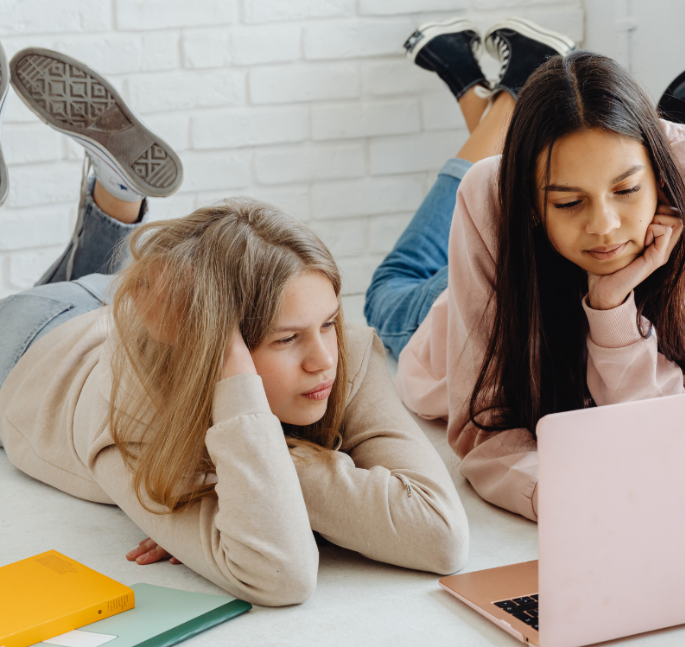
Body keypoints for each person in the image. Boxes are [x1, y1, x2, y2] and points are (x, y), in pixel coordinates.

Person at [0, 44, 469, 605]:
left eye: (327, 322)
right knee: (52, 291)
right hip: (29, 347)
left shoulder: (339, 352)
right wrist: (251, 481)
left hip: (120, 302)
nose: (323, 358)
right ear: (219, 346)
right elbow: (282, 574)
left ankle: (117, 196)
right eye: (287, 338)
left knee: (108, 279)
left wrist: (250, 471)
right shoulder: (136, 411)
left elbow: (441, 537)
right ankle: (114, 198)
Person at [364, 19, 685, 522]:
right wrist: (572, 501)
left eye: (626, 191)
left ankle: (508, 103)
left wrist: (612, 306)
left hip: (542, 238)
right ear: (535, 204)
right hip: (497, 277)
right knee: (386, 293)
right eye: (570, 201)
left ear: (658, 177)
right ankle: (507, 104)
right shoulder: (492, 202)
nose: (606, 227)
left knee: (507, 174)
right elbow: (485, 435)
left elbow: (681, 429)